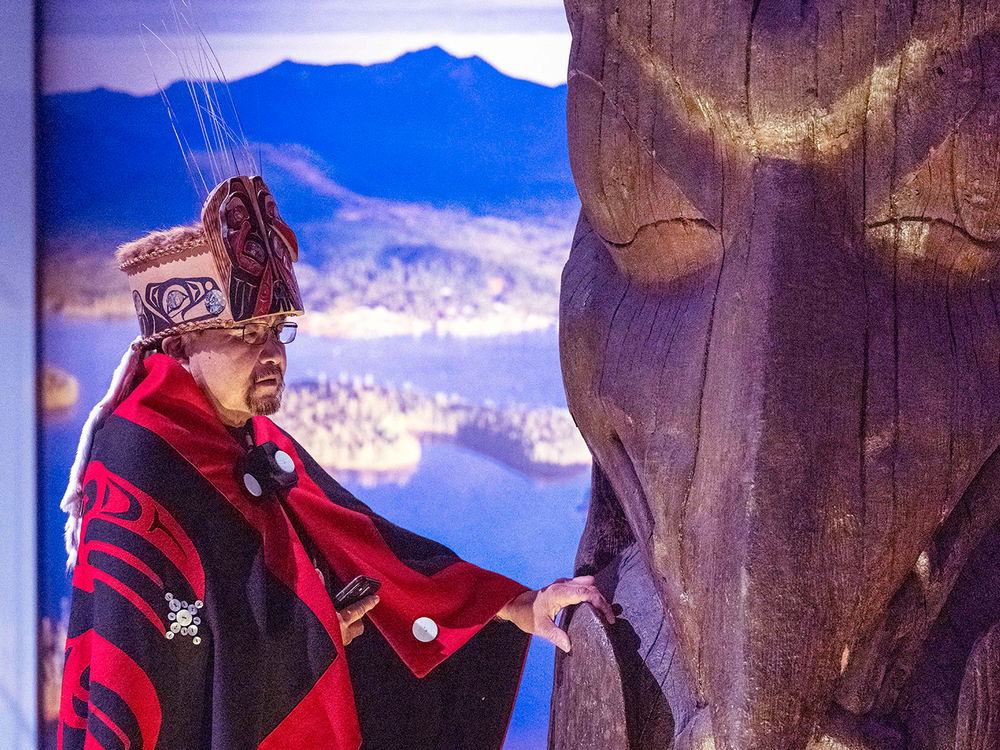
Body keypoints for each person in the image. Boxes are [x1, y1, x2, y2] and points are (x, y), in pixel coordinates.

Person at [57, 174, 614, 750]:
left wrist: (519, 605)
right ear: (179, 347)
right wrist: (309, 636)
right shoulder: (140, 456)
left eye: (279, 330)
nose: (271, 353)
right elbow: (152, 669)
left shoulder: (248, 434)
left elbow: (369, 547)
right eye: (246, 333)